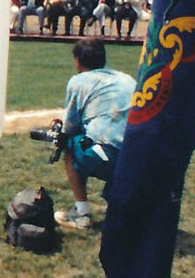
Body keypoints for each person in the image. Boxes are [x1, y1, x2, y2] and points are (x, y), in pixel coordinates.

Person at [53, 39, 134, 230]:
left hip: (108, 155)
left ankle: (82, 214)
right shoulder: (126, 78)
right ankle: (122, 210)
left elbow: (70, 127)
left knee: (71, 144)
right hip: (139, 153)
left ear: (78, 61)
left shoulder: (78, 81)